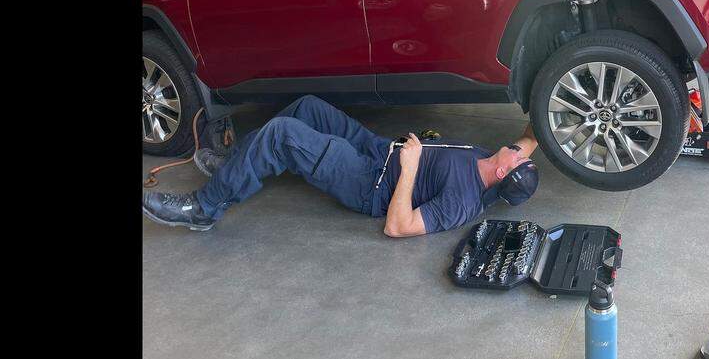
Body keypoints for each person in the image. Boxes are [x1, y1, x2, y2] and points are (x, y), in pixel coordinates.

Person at [142, 95, 539, 237]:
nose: (518, 151)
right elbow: (532, 137)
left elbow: (398, 226)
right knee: (308, 106)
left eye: (517, 158)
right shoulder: (497, 162)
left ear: (503, 173)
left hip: (369, 183)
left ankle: (203, 209)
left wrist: (412, 166)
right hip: (379, 149)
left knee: (283, 133)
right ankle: (236, 166)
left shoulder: (463, 201)